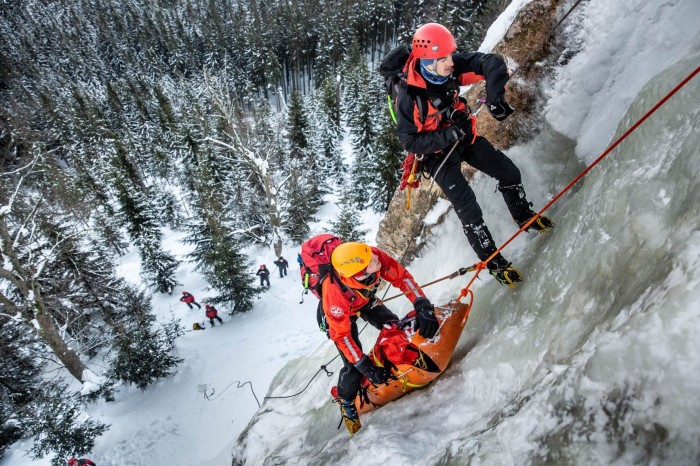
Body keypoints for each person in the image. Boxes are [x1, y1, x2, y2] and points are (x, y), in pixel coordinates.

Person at [395, 23, 553, 286]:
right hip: (436, 154)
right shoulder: (408, 97)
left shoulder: (449, 67)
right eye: (443, 58)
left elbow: (491, 63)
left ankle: (523, 215)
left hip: (462, 136)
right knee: (468, 207)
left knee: (509, 172)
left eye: (449, 56)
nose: (450, 62)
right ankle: (493, 261)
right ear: (427, 61)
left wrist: (495, 97)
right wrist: (450, 134)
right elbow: (410, 142)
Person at [323, 242, 438, 435]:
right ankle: (347, 403)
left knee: (394, 326)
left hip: (365, 300)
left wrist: (422, 304)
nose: (376, 258)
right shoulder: (334, 296)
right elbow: (343, 338)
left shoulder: (370, 255)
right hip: (341, 315)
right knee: (353, 369)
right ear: (358, 272)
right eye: (371, 262)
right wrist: (366, 367)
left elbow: (403, 278)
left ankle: (395, 362)